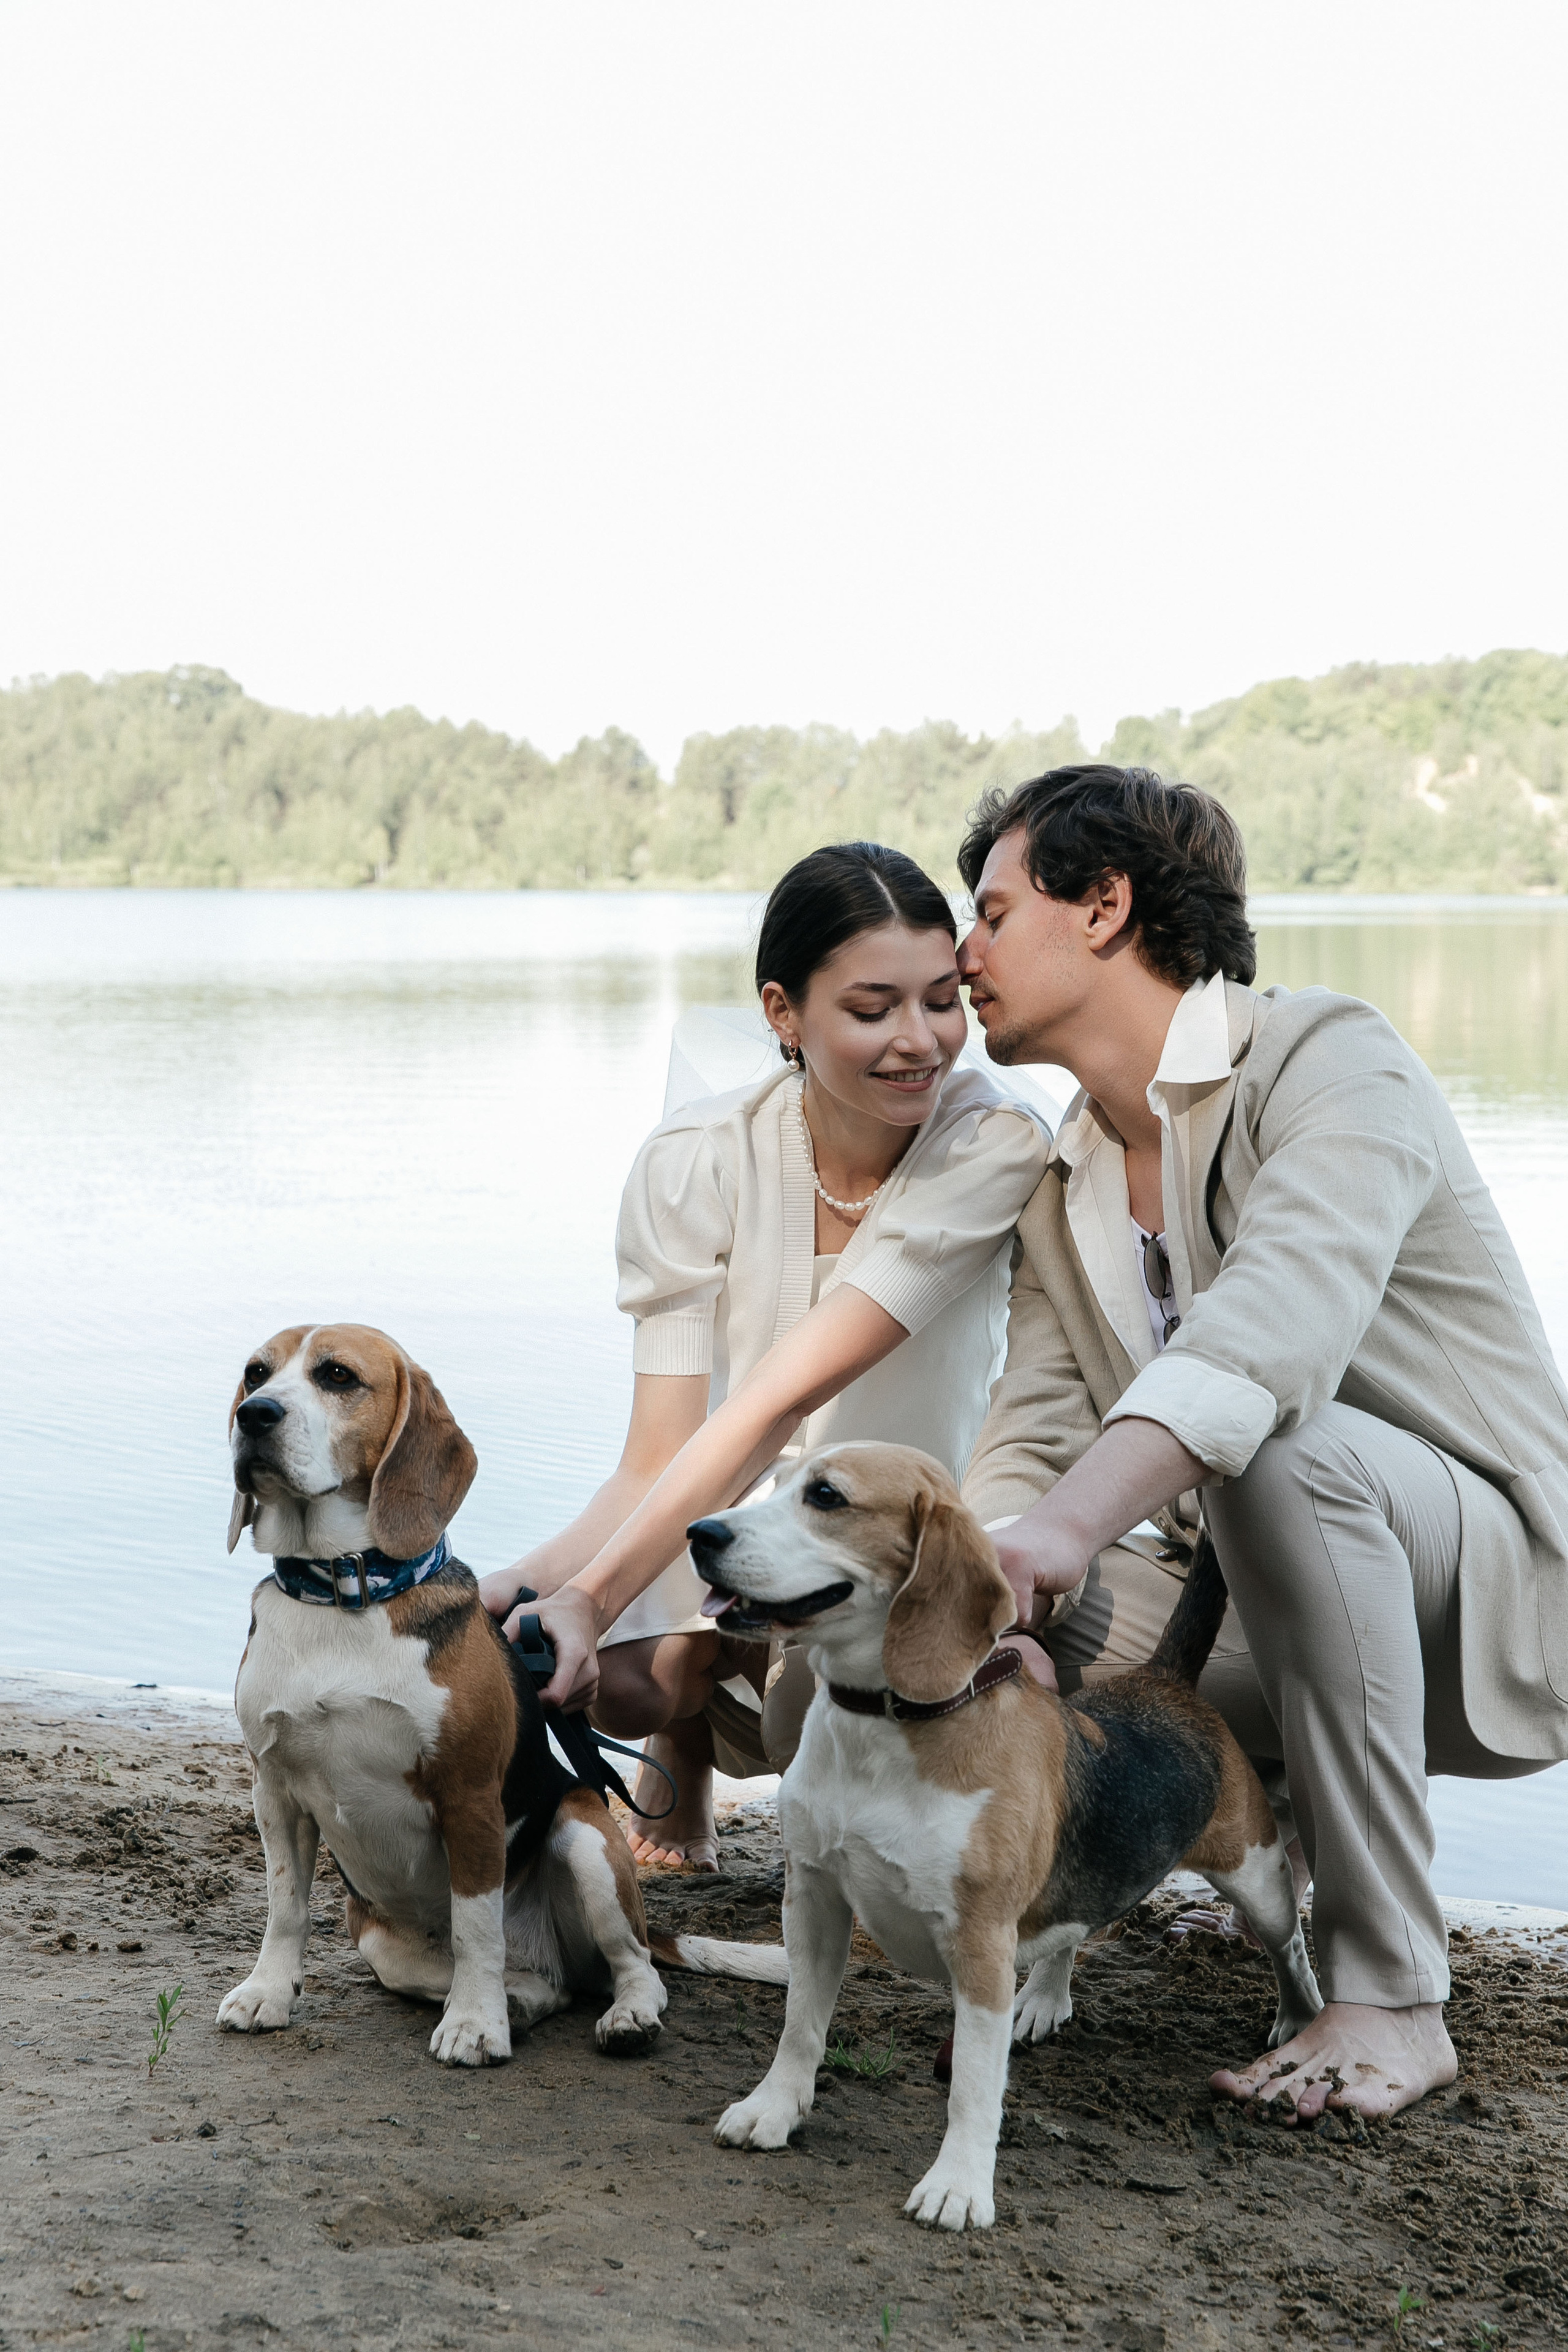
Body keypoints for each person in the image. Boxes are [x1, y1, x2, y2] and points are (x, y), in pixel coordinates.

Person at [954, 761, 1568, 2122]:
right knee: (958, 1614)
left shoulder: (1330, 1058)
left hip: (1483, 1595)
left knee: (1280, 1453)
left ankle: (1391, 1994)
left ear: (1103, 906)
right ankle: (1133, 1875)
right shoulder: (1061, 1181)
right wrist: (991, 1587)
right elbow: (1032, 1435)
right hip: (1255, 1609)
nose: (963, 954)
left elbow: (1270, 1333)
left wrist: (1059, 1533)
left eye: (992, 913)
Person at [479, 842, 1050, 1867]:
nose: (920, 1042)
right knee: (622, 1672)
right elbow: (659, 1456)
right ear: (784, 1014)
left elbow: (781, 1400)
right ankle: (679, 1745)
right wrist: (527, 1585)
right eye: (872, 1010)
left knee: (825, 1728)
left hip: (890, 1543)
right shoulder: (695, 1159)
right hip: (730, 1513)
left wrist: (589, 1592)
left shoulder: (990, 1147)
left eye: (940, 1001)